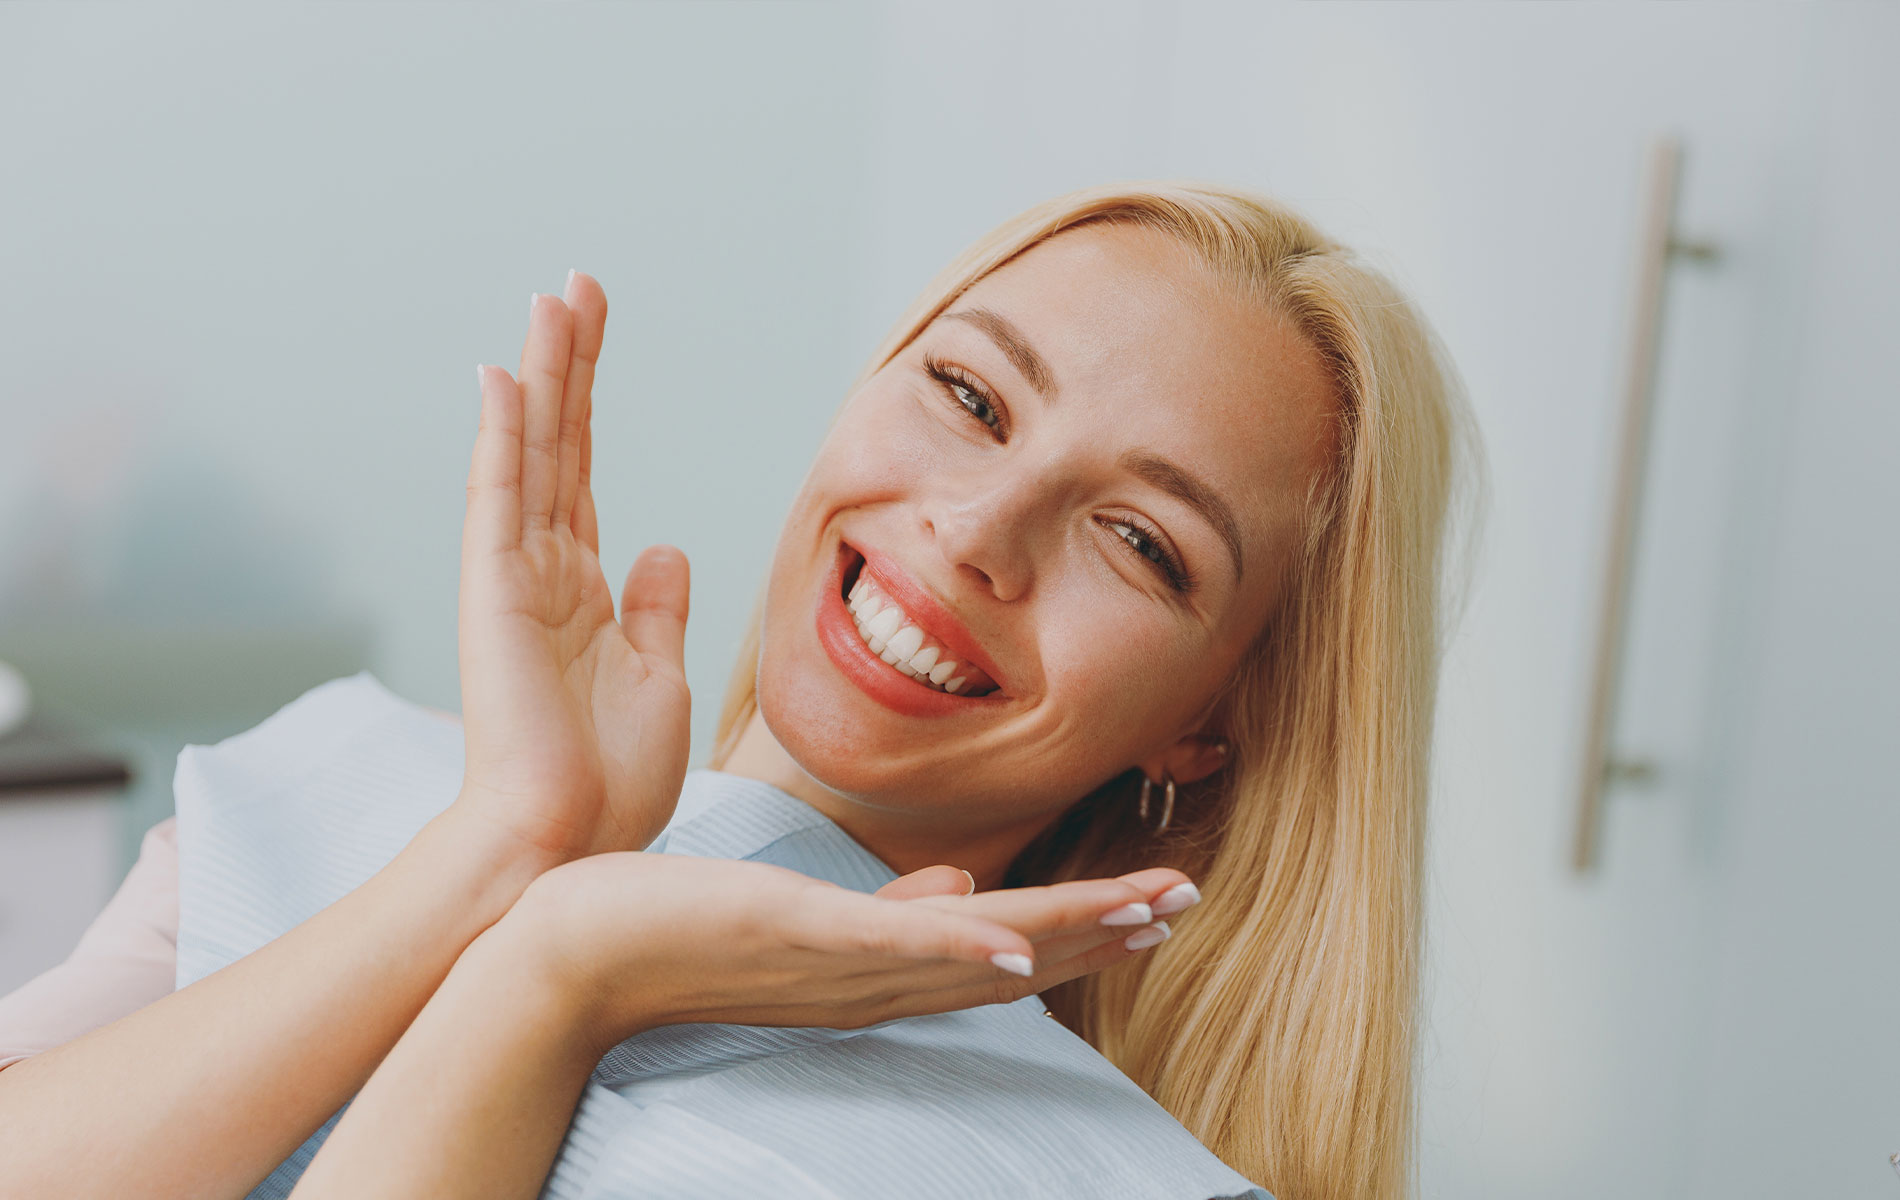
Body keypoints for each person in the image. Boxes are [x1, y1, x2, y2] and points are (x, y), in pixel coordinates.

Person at [0, 180, 1479, 1200]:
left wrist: (562, 973)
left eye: (1141, 542)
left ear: (1209, 725)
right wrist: (507, 850)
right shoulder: (328, 783)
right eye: (969, 396)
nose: (971, 532)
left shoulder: (1079, 1170)